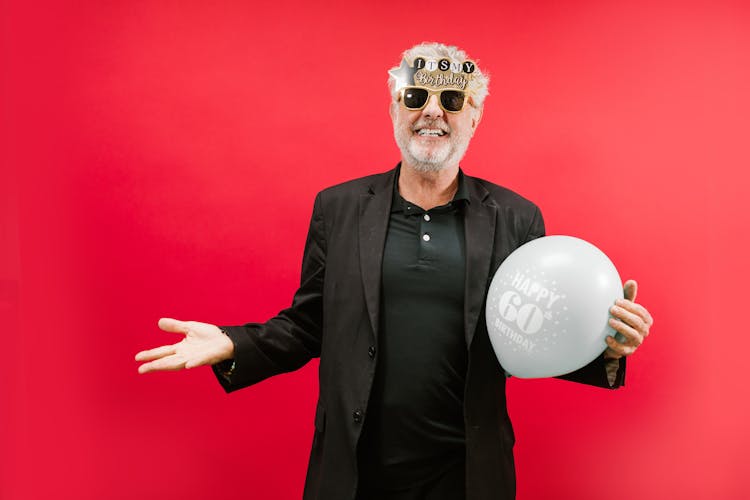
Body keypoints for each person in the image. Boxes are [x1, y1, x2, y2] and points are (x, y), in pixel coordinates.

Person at [135, 42, 653, 500]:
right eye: (415, 97)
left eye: (452, 100)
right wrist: (232, 343)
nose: (432, 111)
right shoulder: (338, 208)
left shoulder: (517, 217)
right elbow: (308, 324)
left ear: (475, 117)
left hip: (468, 475)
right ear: (393, 109)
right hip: (356, 472)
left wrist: (606, 346)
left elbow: (533, 334)